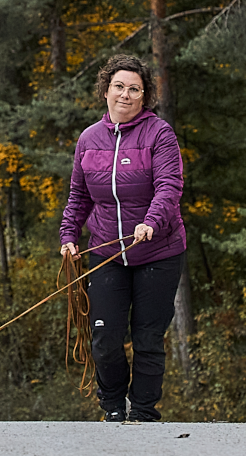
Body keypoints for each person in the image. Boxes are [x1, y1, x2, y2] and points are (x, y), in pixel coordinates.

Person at [59, 54, 187, 423]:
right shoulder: (89, 139)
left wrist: (150, 221)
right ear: (105, 91)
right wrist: (69, 236)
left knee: (148, 339)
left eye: (135, 89)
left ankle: (144, 413)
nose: (126, 95)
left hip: (158, 251)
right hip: (107, 252)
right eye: (119, 87)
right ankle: (113, 406)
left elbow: (169, 186)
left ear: (144, 97)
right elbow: (79, 197)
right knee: (105, 340)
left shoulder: (159, 134)